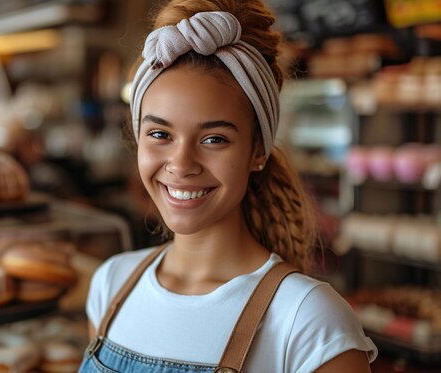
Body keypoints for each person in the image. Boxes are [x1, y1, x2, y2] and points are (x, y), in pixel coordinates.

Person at [79, 1, 378, 372]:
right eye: (159, 134)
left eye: (214, 139)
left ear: (258, 151)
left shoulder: (308, 321)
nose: (181, 164)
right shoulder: (111, 285)